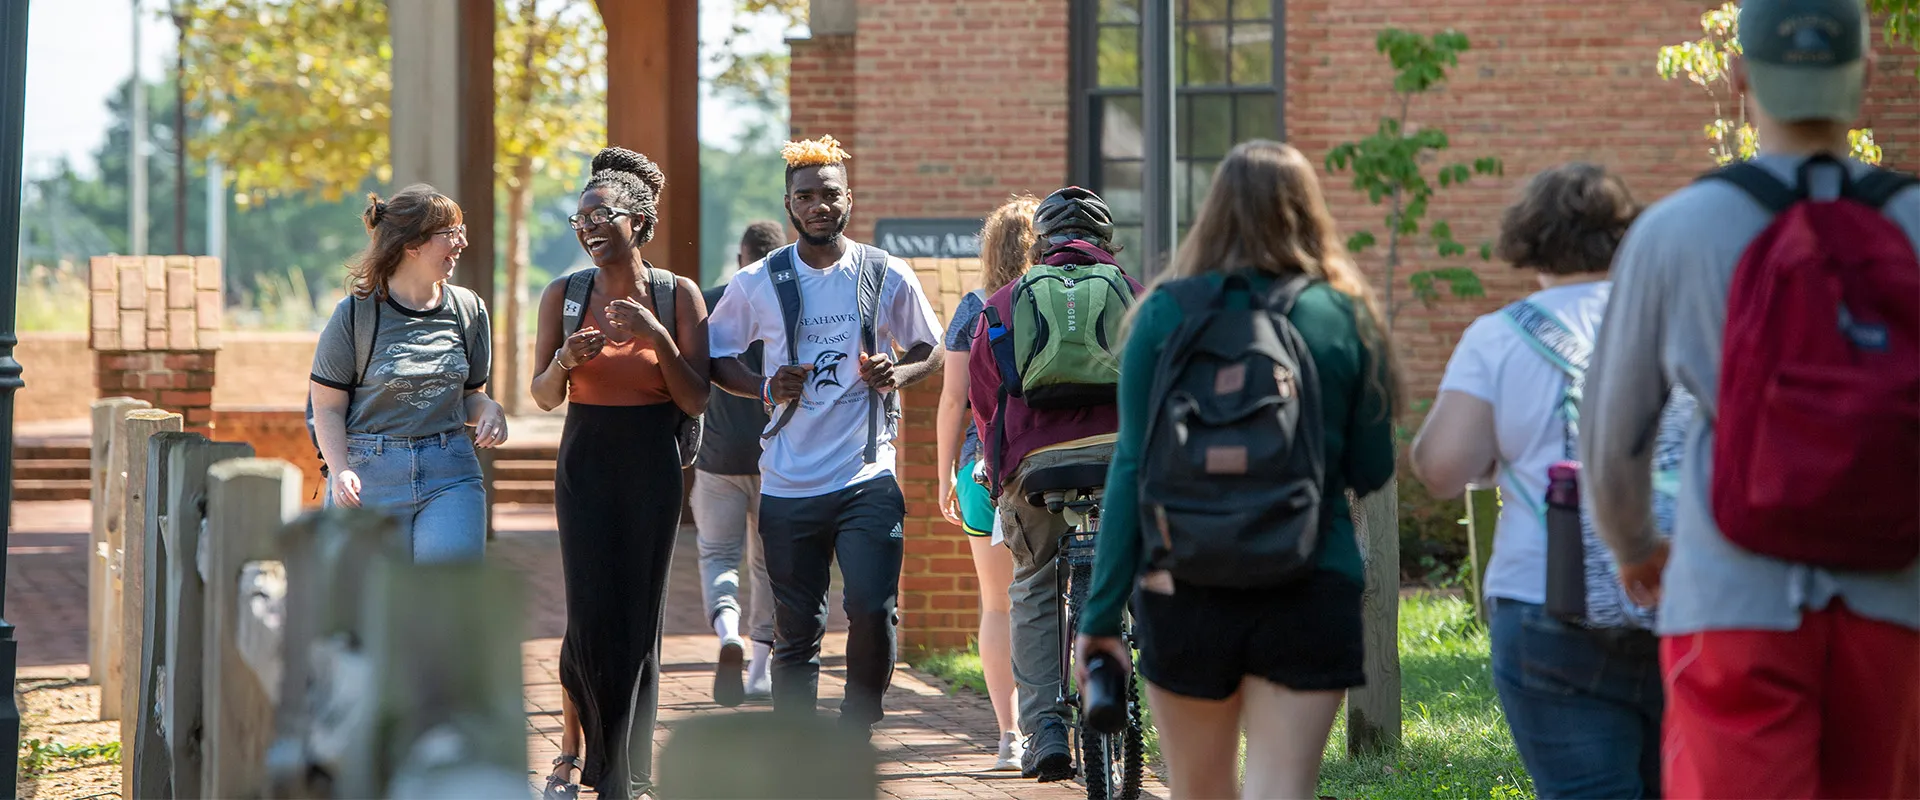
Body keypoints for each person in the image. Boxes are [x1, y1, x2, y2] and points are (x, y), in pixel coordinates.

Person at [1581, 1, 1920, 796]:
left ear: (1738, 76)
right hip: (1899, 594)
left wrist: (1634, 546)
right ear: (1866, 80)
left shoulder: (1676, 229)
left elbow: (1613, 434)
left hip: (1732, 589)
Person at [1075, 140, 1399, 799]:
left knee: (1199, 790)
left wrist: (1101, 614)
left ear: (1212, 212)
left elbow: (1132, 467)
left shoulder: (1162, 315)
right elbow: (1372, 468)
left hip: (1184, 583)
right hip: (1310, 576)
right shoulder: (1339, 314)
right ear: (1308, 212)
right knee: (1283, 787)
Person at [1410, 164, 1676, 798]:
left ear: (1528, 238)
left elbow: (1439, 469)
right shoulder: (1680, 325)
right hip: (1678, 593)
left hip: (1545, 603)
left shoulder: (1499, 339)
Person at [706, 135, 943, 740]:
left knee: (871, 607)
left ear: (848, 201)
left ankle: (855, 729)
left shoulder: (885, 272)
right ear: (789, 205)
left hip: (868, 474)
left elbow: (930, 346)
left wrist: (899, 373)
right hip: (787, 480)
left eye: (829, 195)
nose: (818, 205)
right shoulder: (760, 280)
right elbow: (715, 353)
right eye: (805, 196)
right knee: (796, 629)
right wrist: (765, 386)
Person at [530, 147, 710, 800]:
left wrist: (658, 336)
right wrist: (564, 362)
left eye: (602, 214)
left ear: (639, 220)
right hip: (585, 459)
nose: (589, 227)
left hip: (650, 464)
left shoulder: (676, 294)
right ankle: (589, 759)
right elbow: (543, 396)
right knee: (588, 615)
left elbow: (696, 398)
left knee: (640, 618)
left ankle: (628, 775)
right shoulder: (564, 294)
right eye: (581, 219)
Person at [968, 185, 1144, 781]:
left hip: (1037, 467)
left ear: (1041, 244)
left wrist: (1000, 474)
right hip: (1119, 462)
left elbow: (986, 404)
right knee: (1145, 559)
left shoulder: (1002, 303)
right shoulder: (1134, 296)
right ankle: (1134, 655)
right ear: (1106, 242)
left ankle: (1043, 726)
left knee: (1035, 583)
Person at [308, 184, 507, 562]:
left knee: (446, 600)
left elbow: (469, 395)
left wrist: (490, 411)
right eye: (451, 233)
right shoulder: (354, 315)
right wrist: (341, 470)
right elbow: (328, 407)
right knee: (376, 611)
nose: (462, 241)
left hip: (451, 473)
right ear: (412, 245)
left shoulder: (469, 309)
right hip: (369, 477)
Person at [936, 194, 1039, 771]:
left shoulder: (973, 308)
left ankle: (1009, 737)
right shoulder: (1061, 301)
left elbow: (952, 402)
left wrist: (945, 473)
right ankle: (1063, 727)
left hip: (986, 471)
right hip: (1056, 466)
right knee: (1061, 598)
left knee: (996, 606)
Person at [696, 220, 783, 707]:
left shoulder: (709, 302)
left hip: (717, 458)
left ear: (739, 258)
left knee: (717, 556)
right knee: (766, 566)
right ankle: (758, 669)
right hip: (778, 458)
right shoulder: (789, 303)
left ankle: (727, 629)